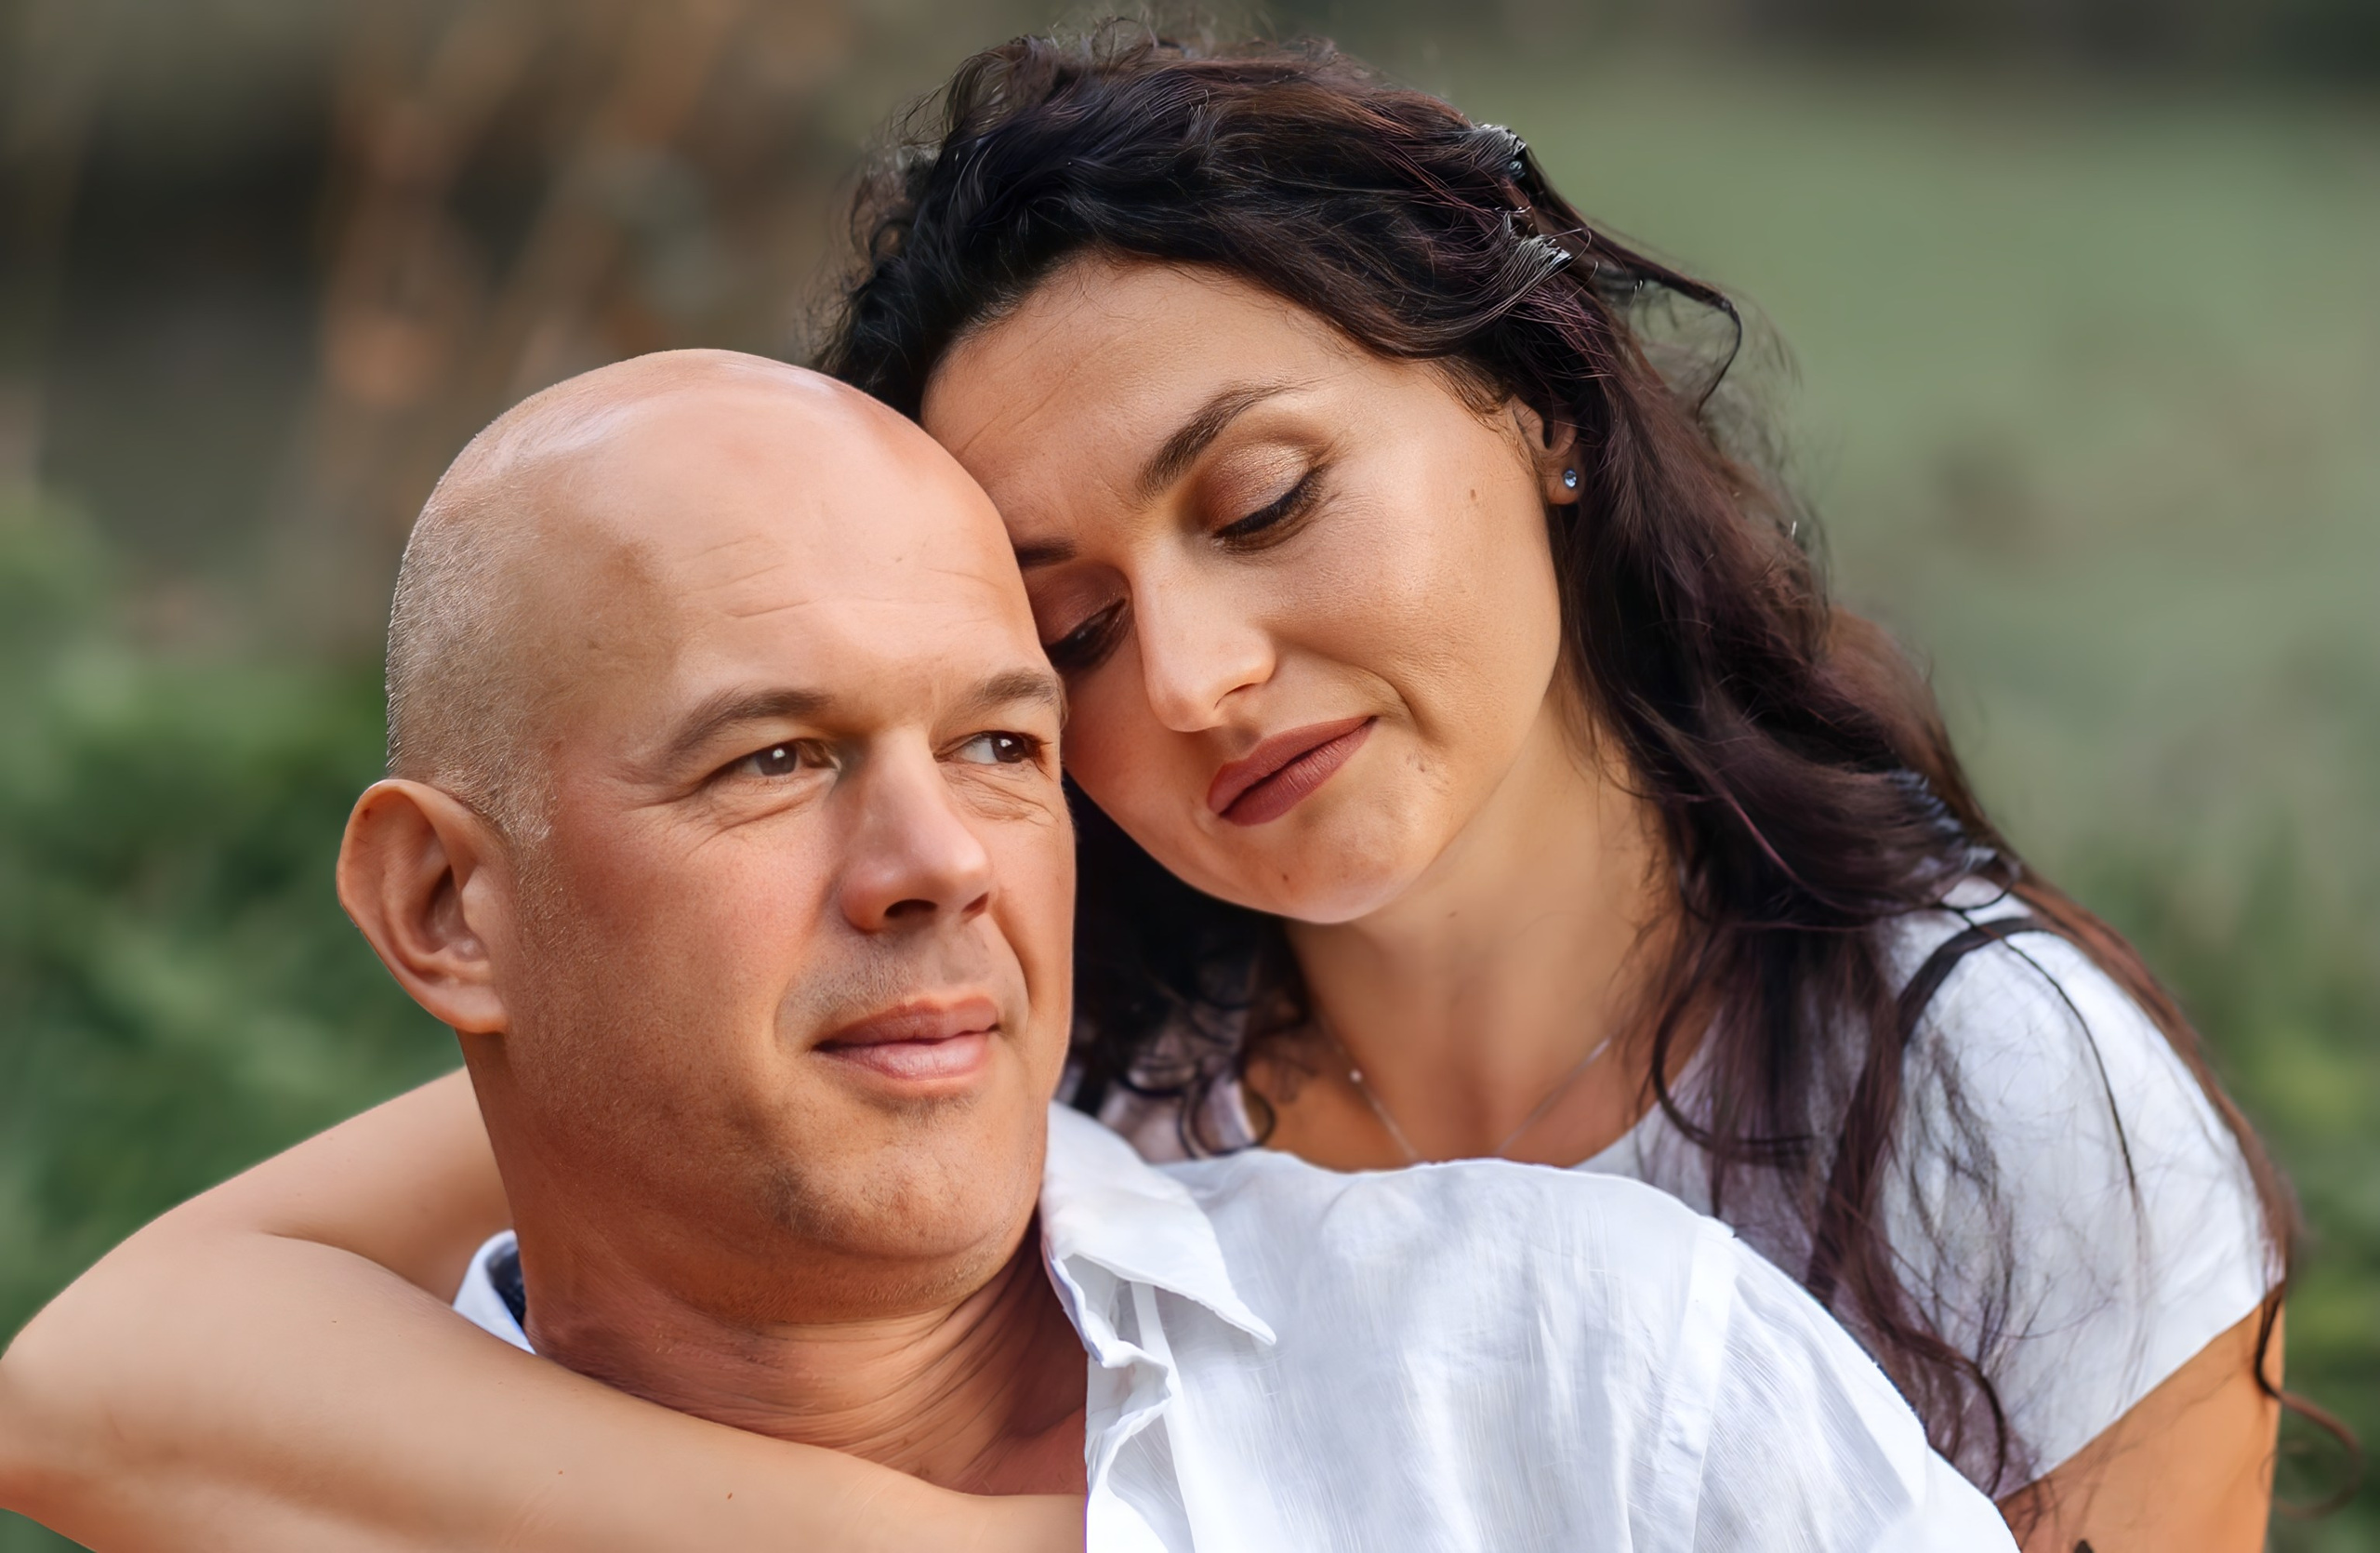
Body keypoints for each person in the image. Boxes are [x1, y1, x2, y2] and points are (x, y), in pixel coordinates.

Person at [0, 26, 2328, 1553]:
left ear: (1535, 409)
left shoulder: (1973, 1092)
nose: (1197, 680)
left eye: (1265, 498)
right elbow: (107, 1371)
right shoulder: (1012, 980)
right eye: (1068, 638)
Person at [2, 348, 2018, 1552]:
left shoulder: (1570, 1372)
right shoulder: (303, 1488)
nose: (929, 865)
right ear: (450, 909)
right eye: (772, 755)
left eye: (995, 743)